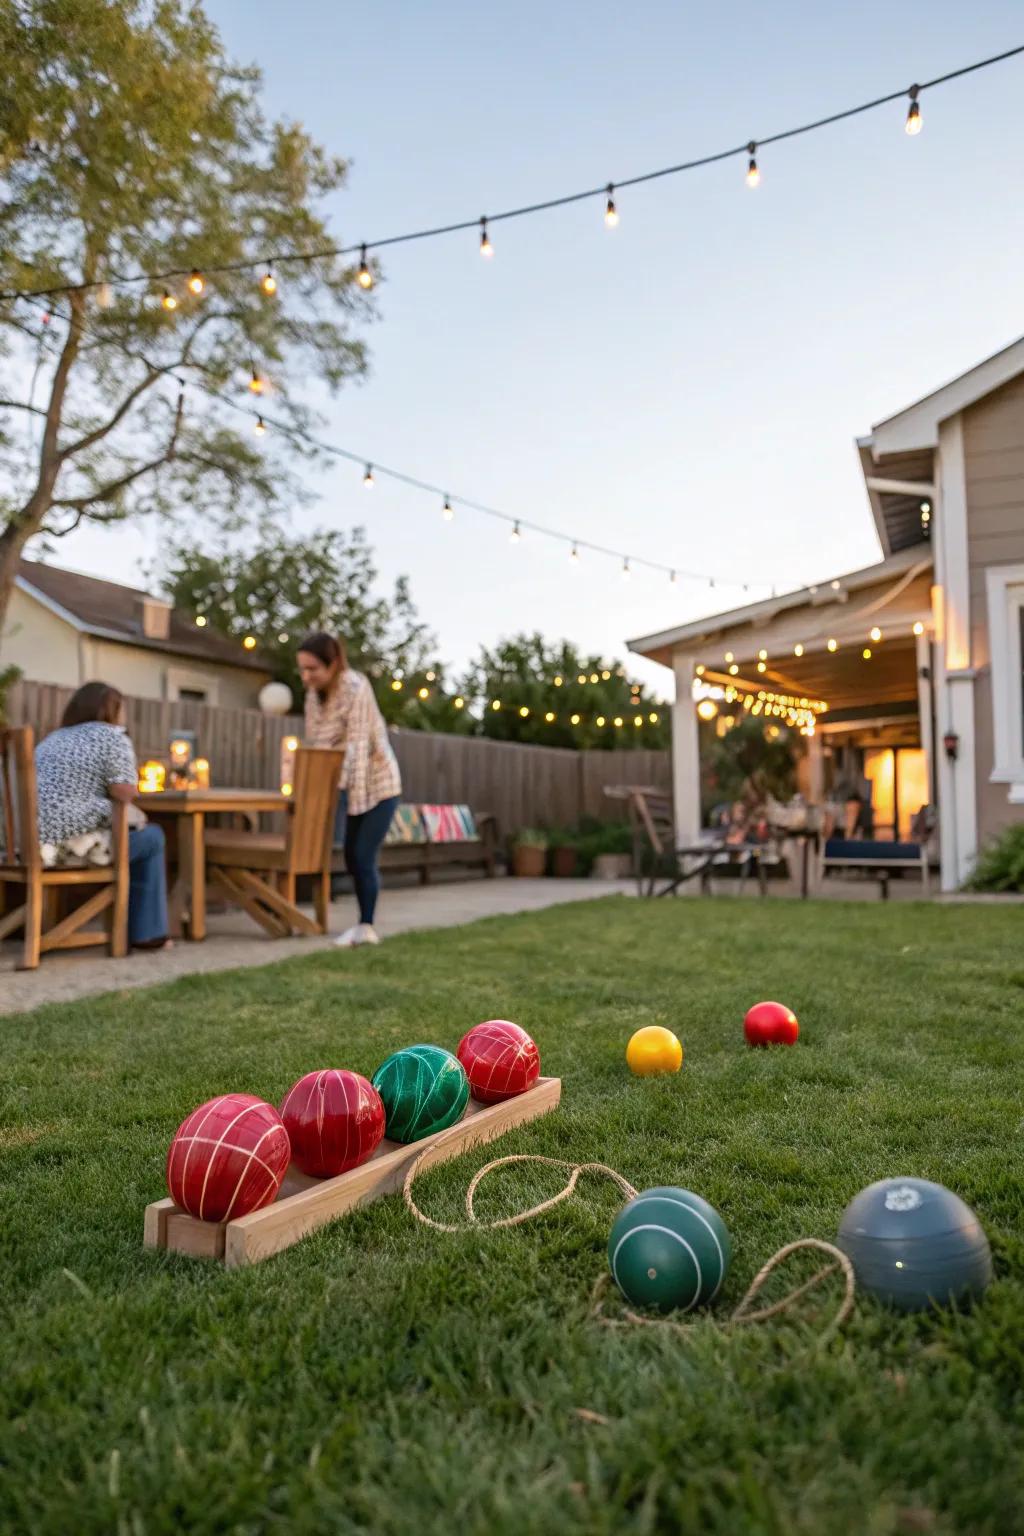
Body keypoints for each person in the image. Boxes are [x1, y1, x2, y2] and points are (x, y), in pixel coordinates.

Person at [34, 682, 171, 951]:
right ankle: (147, 934)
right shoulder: (112, 736)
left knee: (133, 836)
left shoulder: (52, 739)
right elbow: (125, 792)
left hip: (28, 847)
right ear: (112, 711)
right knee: (152, 837)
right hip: (67, 849)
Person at [297, 632, 402, 948]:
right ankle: (361, 926)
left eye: (312, 669)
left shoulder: (356, 687)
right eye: (302, 669)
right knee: (353, 858)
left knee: (362, 855)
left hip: (379, 785)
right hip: (348, 782)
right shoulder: (313, 697)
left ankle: (367, 926)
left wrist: (344, 801)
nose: (306, 676)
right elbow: (317, 745)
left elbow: (356, 746)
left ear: (334, 664)